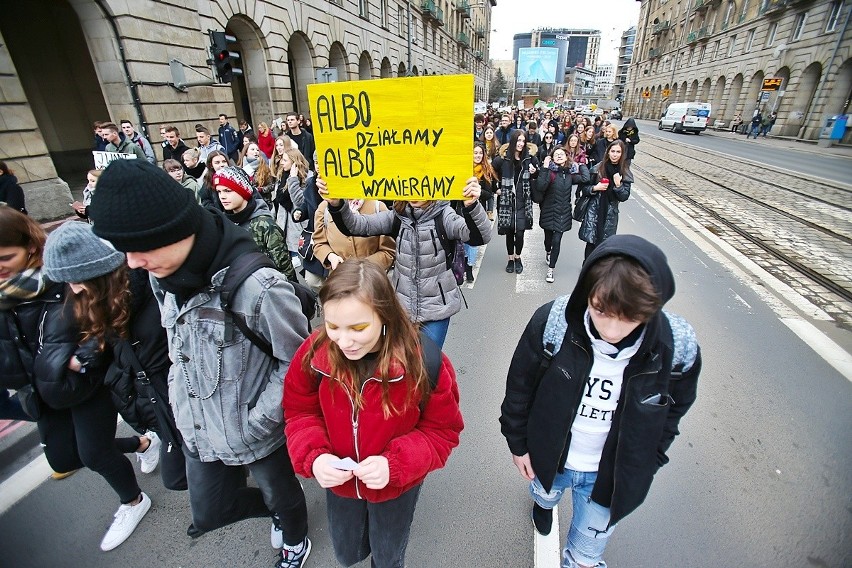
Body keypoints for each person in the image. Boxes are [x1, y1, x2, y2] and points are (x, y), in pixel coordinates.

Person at [89, 159, 311, 568]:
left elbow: (301, 364)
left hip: (254, 434)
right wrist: (179, 402)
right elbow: (178, 348)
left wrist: (256, 421)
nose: (132, 263)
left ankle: (293, 533)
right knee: (209, 512)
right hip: (198, 427)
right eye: (125, 251)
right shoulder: (163, 279)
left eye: (140, 247)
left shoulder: (260, 289)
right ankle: (274, 508)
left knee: (280, 495)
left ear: (175, 230)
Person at [499, 234, 701, 568]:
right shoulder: (555, 323)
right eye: (601, 310)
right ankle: (543, 504)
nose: (611, 328)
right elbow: (520, 387)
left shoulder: (675, 347)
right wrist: (518, 444)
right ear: (587, 295)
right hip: (552, 456)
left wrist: (651, 458)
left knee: (585, 559)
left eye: (628, 317)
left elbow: (675, 408)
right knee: (545, 492)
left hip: (611, 477)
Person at [283, 259, 464, 568]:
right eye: (333, 326)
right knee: (347, 552)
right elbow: (298, 411)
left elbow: (443, 432)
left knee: (387, 555)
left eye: (358, 327)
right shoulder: (315, 353)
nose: (344, 341)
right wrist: (314, 457)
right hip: (340, 481)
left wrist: (394, 465)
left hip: (396, 486)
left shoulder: (424, 363)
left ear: (384, 315)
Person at [0, 205, 152, 552]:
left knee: (95, 453)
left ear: (31, 248)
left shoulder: (62, 275)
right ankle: (141, 443)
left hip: (82, 384)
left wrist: (81, 360)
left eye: (5, 256)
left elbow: (104, 317)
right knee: (65, 458)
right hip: (37, 388)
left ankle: (132, 501)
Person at [42, 222, 188, 490]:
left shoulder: (151, 295)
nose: (74, 291)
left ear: (99, 274)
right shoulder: (100, 305)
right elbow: (107, 346)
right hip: (159, 407)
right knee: (179, 480)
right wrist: (87, 355)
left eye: (77, 281)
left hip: (183, 401)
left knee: (201, 487)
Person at [319, 176, 491, 349]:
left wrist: (472, 206)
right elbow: (357, 225)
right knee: (403, 364)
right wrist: (337, 204)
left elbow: (479, 236)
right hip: (402, 308)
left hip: (437, 309)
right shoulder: (397, 217)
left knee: (428, 365)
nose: (414, 194)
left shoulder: (444, 216)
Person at [212, 166, 297, 282]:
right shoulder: (224, 224)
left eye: (228, 190)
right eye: (219, 191)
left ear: (242, 190)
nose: (222, 196)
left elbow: (285, 269)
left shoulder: (265, 224)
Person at [535, 146, 590, 284]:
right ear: (552, 158)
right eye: (556, 154)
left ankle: (551, 269)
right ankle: (548, 252)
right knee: (548, 240)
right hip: (548, 210)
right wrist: (545, 167)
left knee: (557, 241)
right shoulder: (550, 172)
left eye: (562, 154)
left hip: (563, 213)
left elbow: (585, 178)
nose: (559, 156)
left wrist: (582, 164)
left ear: (566, 157)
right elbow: (541, 186)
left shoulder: (570, 174)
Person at [492, 129, 539, 275]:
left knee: (520, 233)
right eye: (518, 141)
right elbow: (491, 173)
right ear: (513, 142)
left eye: (523, 141)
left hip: (523, 200)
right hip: (507, 201)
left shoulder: (530, 159)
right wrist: (496, 189)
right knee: (509, 231)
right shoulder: (502, 159)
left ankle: (518, 257)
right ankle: (510, 259)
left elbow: (538, 177)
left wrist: (534, 172)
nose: (521, 144)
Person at [577, 140, 633, 260]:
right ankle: (587, 270)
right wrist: (595, 188)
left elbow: (624, 197)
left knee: (605, 245)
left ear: (622, 154)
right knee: (591, 243)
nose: (615, 154)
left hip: (610, 213)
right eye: (612, 151)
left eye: (618, 152)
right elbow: (584, 189)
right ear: (608, 152)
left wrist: (618, 185)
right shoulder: (597, 168)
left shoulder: (625, 172)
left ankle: (598, 273)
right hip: (594, 210)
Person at [313, 198, 396, 275]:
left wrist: (362, 267)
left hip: (371, 278)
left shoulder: (377, 206)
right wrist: (331, 256)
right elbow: (318, 243)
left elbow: (388, 251)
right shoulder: (325, 207)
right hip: (340, 278)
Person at [469, 141, 497, 278]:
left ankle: (469, 267)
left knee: (472, 239)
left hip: (477, 210)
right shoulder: (463, 170)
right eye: (475, 152)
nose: (478, 155)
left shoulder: (486, 170)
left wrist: (479, 191)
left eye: (480, 153)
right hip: (462, 209)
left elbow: (489, 194)